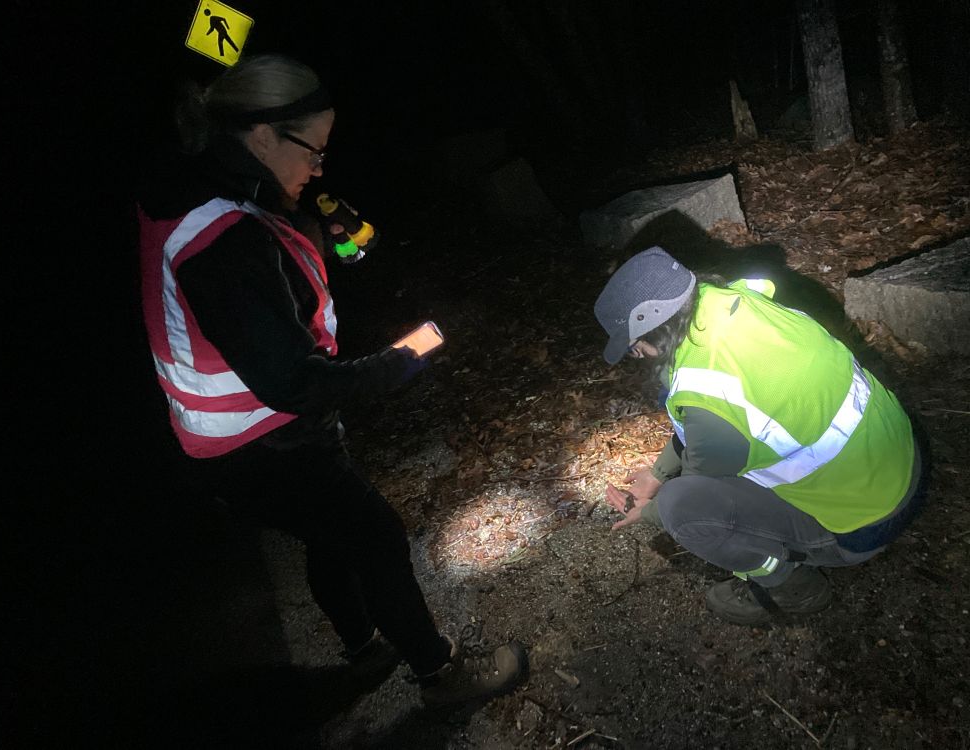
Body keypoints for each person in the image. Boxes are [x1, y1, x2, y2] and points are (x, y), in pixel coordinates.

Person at [136, 54, 527, 705]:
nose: (320, 167)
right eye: (311, 151)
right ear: (259, 136)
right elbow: (294, 383)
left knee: (329, 534)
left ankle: (361, 648)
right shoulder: (226, 239)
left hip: (237, 443)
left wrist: (321, 232)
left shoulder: (198, 186)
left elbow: (277, 290)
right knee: (374, 536)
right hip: (262, 444)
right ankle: (439, 676)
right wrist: (405, 358)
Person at [595, 247, 925, 625]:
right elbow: (722, 415)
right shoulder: (736, 302)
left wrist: (648, 509)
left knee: (681, 508)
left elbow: (703, 470)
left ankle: (792, 588)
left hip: (868, 520)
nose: (639, 355)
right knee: (682, 453)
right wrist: (658, 472)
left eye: (635, 350)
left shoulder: (708, 395)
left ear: (649, 335)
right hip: (904, 457)